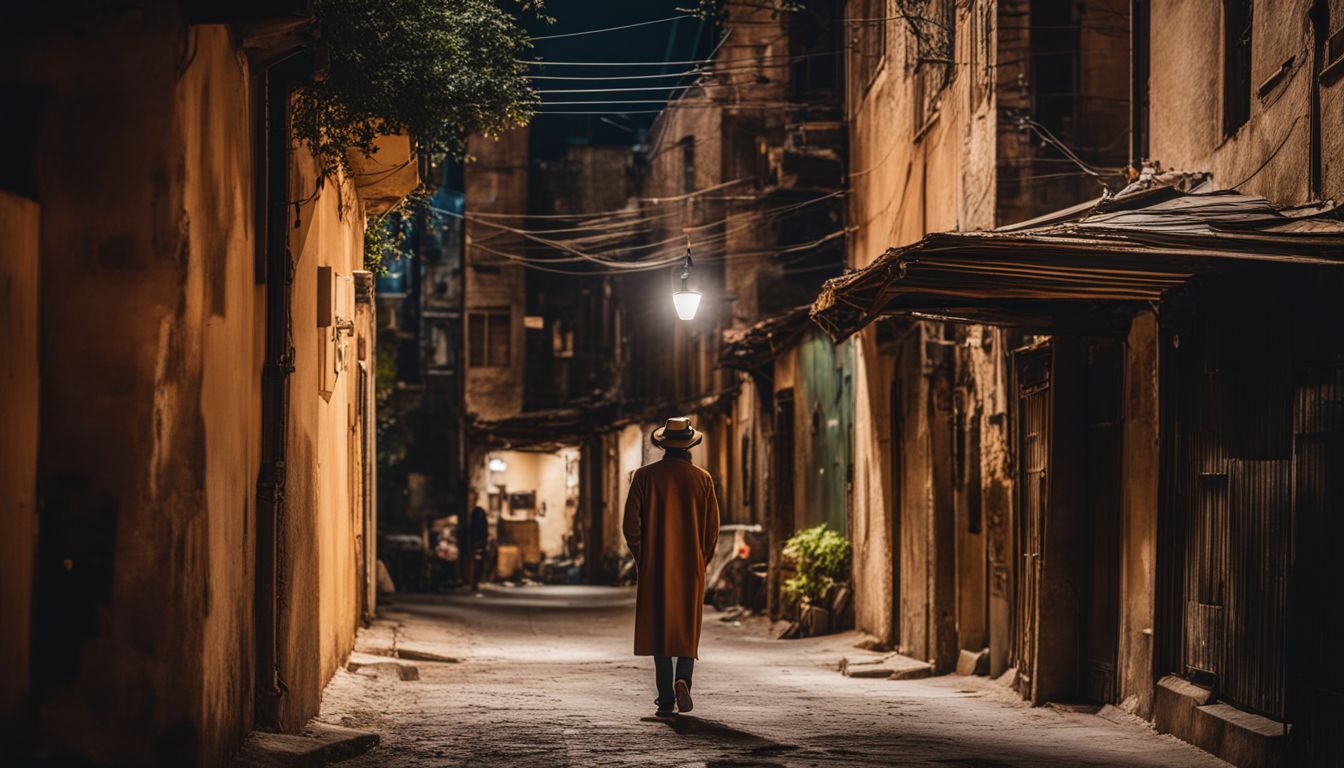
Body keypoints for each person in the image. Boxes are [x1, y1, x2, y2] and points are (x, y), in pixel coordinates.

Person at [622, 416, 720, 718]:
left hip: (655, 566)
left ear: (663, 445)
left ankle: (665, 700)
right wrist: (700, 560)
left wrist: (644, 557)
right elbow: (712, 531)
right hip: (691, 566)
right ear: (689, 446)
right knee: (686, 628)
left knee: (658, 631)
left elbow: (631, 527)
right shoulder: (702, 479)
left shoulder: (643, 477)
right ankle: (684, 679)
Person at [458, 492, 490, 591]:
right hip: (465, 541)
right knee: (465, 561)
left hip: (476, 540)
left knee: (475, 562)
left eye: (473, 499)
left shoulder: (479, 513)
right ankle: (464, 580)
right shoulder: (463, 512)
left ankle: (473, 583)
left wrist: (482, 540)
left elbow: (484, 528)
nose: (471, 501)